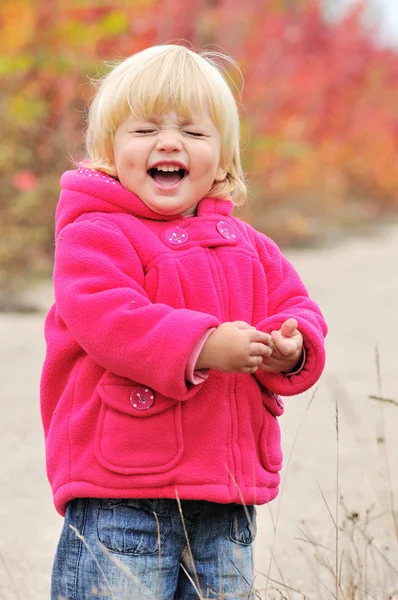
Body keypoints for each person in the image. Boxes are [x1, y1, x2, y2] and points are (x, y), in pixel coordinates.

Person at [41, 44, 327, 600]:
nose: (169, 143)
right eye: (145, 129)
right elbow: (107, 317)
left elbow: (297, 306)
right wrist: (203, 345)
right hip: (124, 491)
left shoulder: (250, 247)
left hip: (226, 498)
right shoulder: (94, 234)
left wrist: (291, 346)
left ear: (222, 159)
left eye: (194, 135)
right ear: (108, 151)